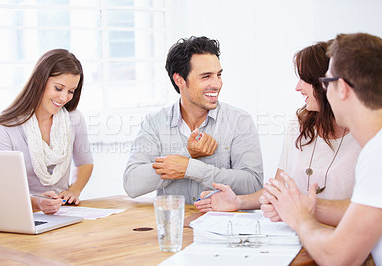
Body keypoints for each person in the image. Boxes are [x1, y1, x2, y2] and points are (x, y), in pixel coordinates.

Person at [195, 41, 361, 226]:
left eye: (305, 79)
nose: (298, 87)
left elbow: (369, 209)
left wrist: (304, 207)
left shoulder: (365, 136)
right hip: (294, 236)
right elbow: (277, 191)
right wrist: (237, 202)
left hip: (343, 240)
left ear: (327, 83)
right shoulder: (298, 125)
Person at [262, 33, 382, 265]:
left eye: (326, 82)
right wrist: (306, 206)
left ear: (343, 89)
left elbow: (338, 257)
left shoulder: (377, 153)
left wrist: (300, 218)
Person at [123, 36, 263, 204]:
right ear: (179, 80)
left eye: (218, 75)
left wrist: (191, 168)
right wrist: (187, 154)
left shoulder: (239, 121)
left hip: (222, 226)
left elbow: (254, 186)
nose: (217, 84)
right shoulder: (154, 123)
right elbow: (132, 184)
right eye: (206, 77)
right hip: (174, 225)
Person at [0, 49, 93, 214]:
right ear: (39, 81)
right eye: (58, 88)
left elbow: (84, 162)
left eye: (71, 91)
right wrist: (38, 203)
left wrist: (74, 190)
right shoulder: (5, 128)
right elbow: (4, 189)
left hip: (63, 212)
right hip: (21, 215)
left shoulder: (74, 118)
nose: (64, 98)